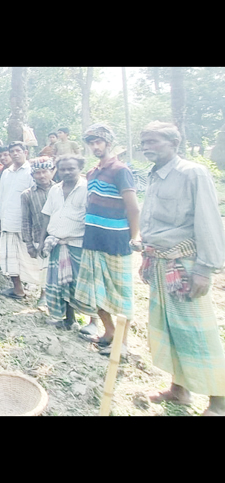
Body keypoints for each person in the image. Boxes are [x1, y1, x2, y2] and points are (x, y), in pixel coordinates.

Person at [135, 122, 225, 415]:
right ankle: (179, 390)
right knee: (168, 328)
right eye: (144, 142)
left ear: (174, 142)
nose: (147, 147)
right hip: (160, 261)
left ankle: (218, 401)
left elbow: (209, 221)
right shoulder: (154, 176)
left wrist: (204, 268)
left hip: (184, 265)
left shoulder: (192, 173)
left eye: (153, 141)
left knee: (195, 331)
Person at [74, 123, 140, 357]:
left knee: (120, 292)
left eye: (98, 142)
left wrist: (135, 236)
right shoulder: (92, 172)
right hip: (93, 238)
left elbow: (132, 207)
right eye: (91, 143)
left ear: (108, 143)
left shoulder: (120, 170)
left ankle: (122, 344)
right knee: (96, 289)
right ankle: (108, 331)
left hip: (116, 239)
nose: (95, 146)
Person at [39, 155, 100, 333]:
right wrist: (42, 241)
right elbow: (47, 215)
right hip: (57, 243)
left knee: (84, 283)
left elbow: (92, 217)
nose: (66, 172)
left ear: (80, 168)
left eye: (71, 168)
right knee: (60, 284)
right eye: (63, 169)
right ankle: (68, 319)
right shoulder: (55, 190)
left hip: (78, 244)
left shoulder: (88, 188)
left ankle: (94, 322)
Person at [0, 142, 41, 299]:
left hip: (25, 223)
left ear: (25, 152)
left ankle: (44, 294)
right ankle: (18, 289)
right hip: (8, 221)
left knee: (32, 259)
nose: (15, 154)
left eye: (18, 151)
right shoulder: (6, 173)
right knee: (9, 257)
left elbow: (34, 199)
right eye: (12, 151)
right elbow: (2, 197)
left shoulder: (31, 172)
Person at [20, 157, 56, 308]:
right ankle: (44, 296)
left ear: (52, 172)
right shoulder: (27, 194)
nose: (42, 176)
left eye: (45, 172)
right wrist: (28, 243)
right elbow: (26, 219)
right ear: (33, 175)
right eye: (38, 173)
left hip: (59, 236)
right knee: (44, 268)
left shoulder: (60, 190)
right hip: (38, 236)